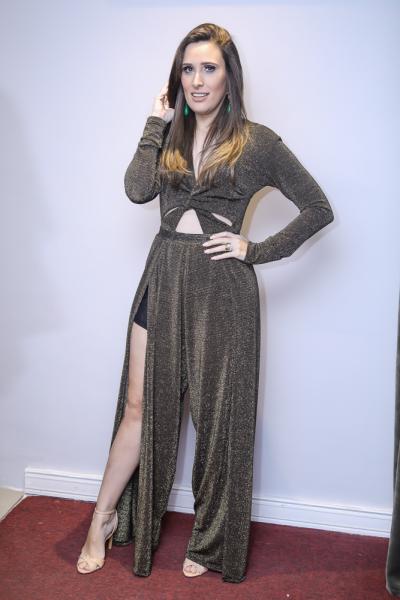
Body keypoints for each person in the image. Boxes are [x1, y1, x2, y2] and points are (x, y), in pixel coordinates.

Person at [76, 22, 334, 583]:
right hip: (164, 276)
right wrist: (154, 122)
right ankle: (103, 517)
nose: (197, 80)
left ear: (228, 77)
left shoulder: (258, 142)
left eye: (208, 68)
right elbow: (137, 190)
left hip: (223, 289)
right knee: (139, 407)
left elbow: (318, 208)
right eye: (188, 69)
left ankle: (212, 540)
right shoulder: (169, 136)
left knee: (217, 421)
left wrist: (256, 250)